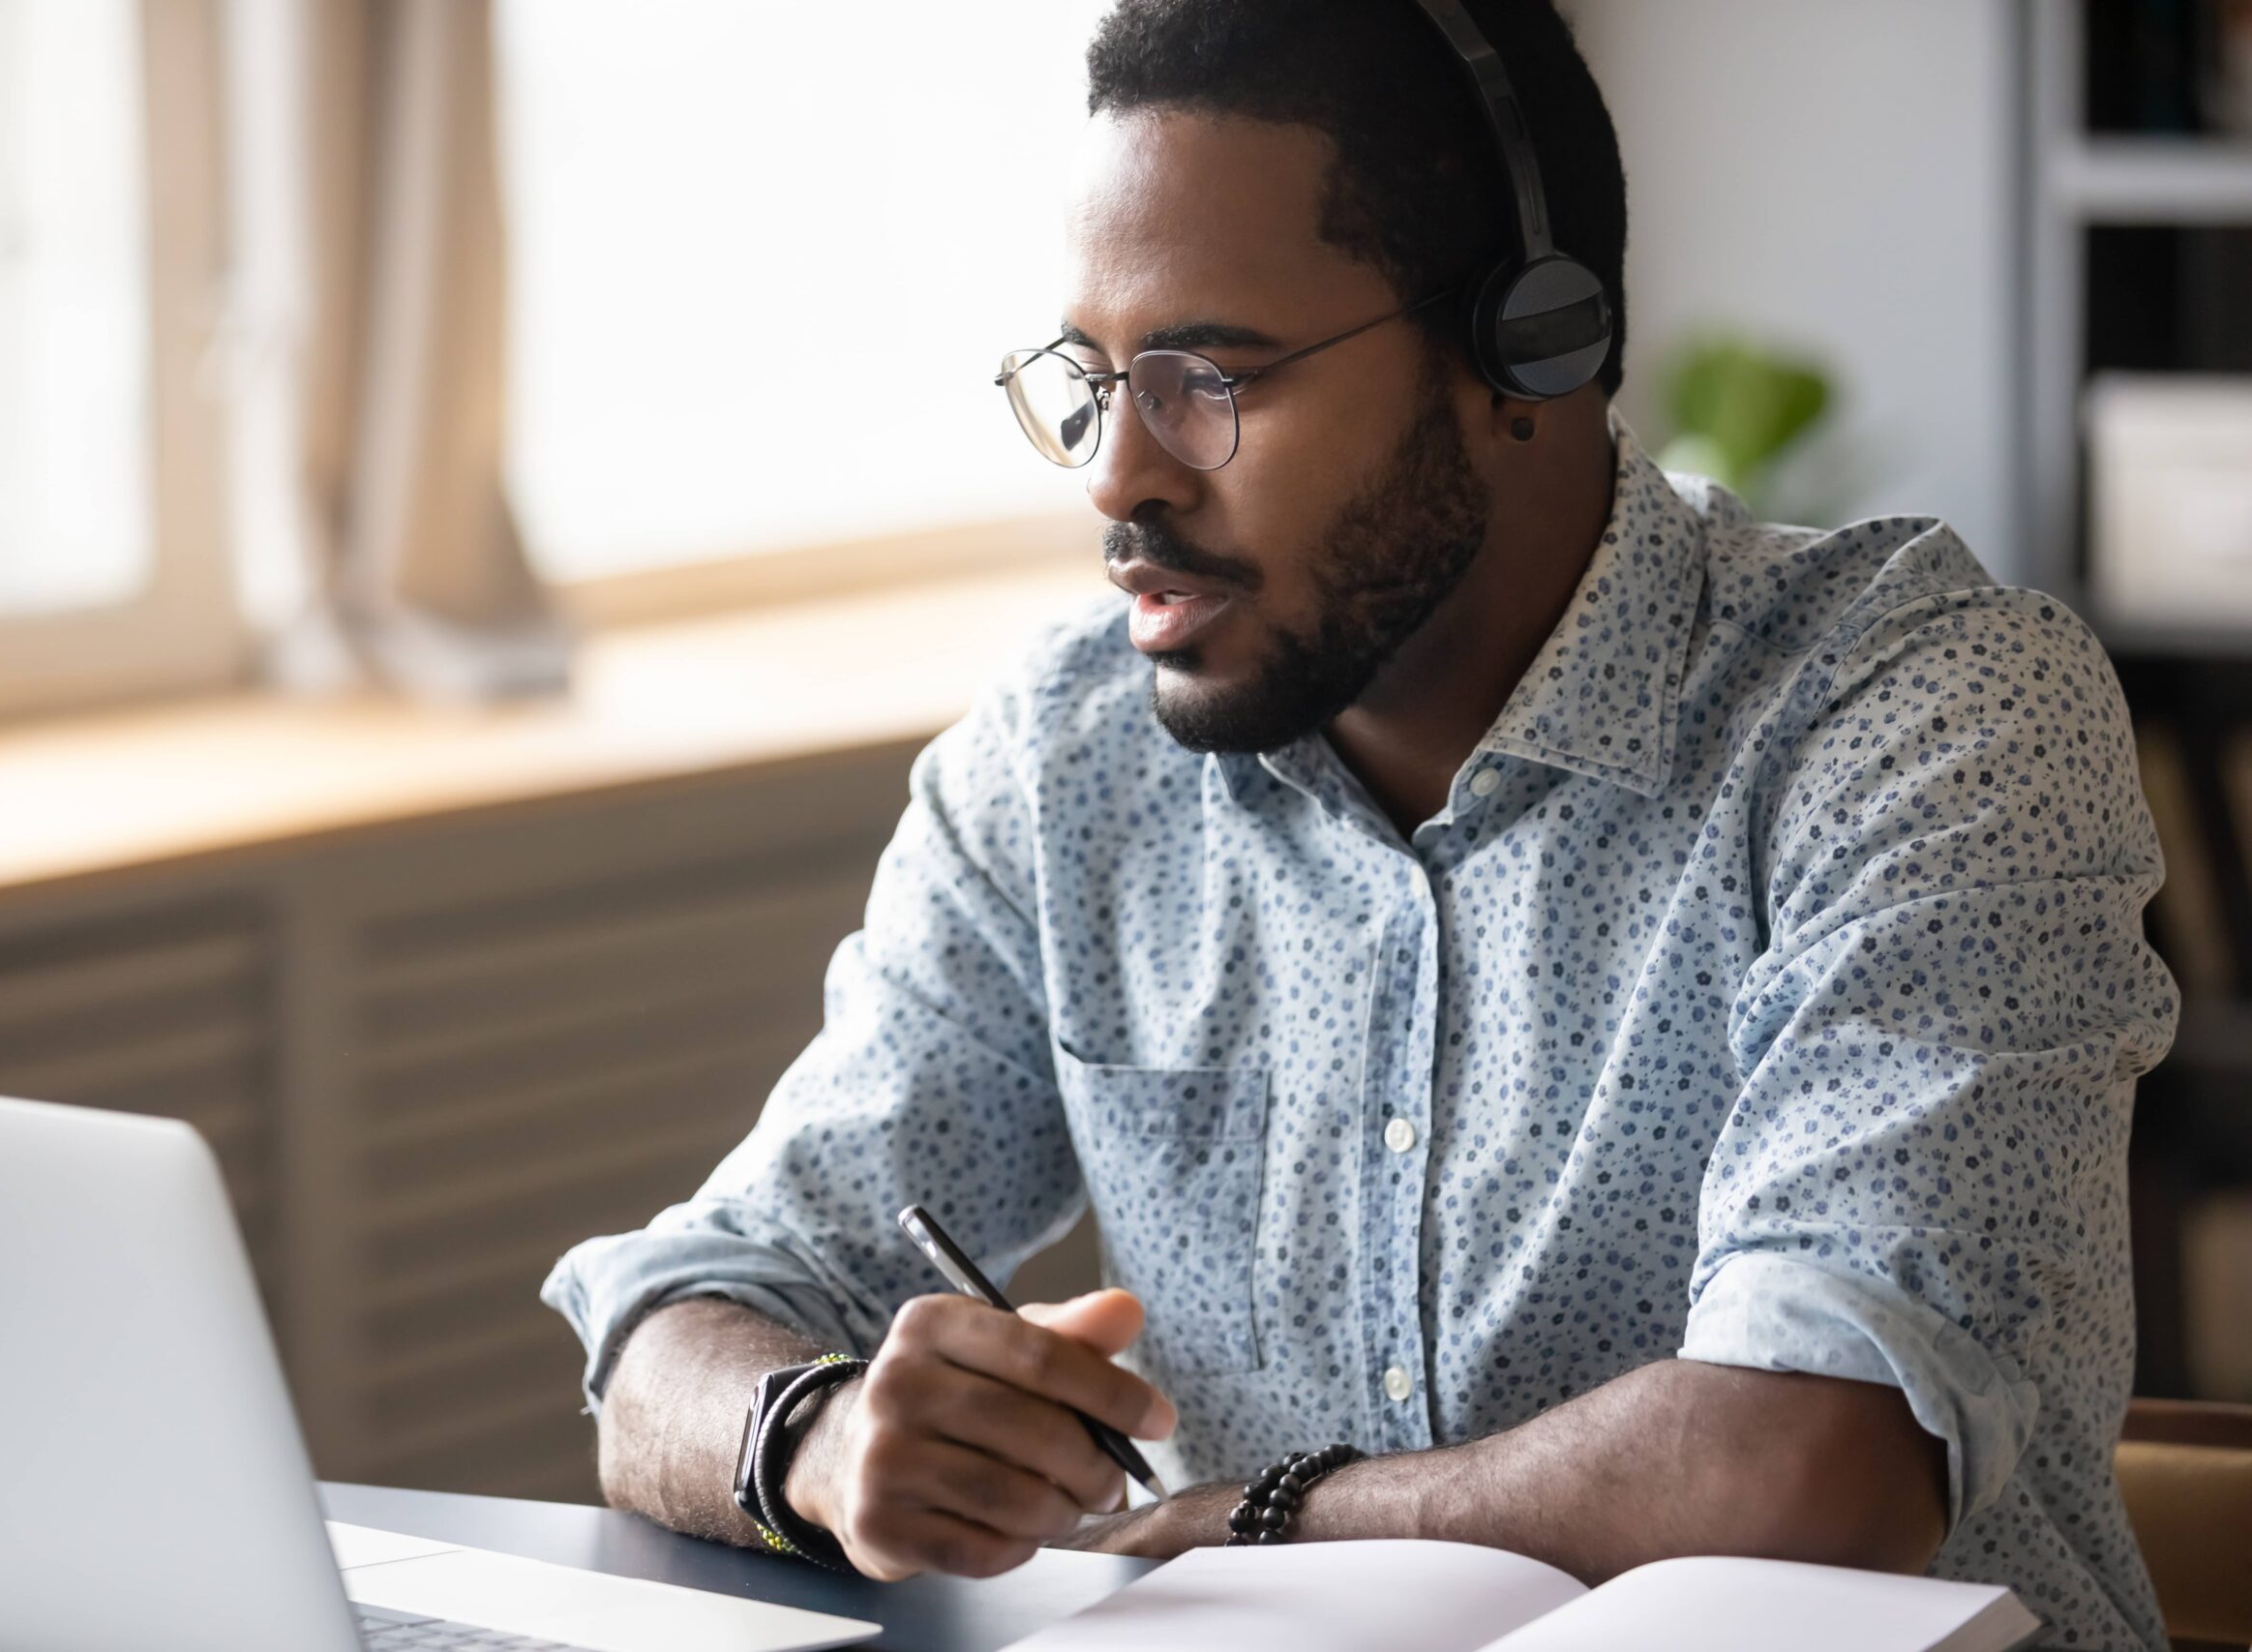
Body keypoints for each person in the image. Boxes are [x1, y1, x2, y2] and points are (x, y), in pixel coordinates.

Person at [542, 5, 2177, 1648]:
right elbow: (685, 1318)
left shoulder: (1925, 716)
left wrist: (1253, 1523)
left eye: (1208, 378)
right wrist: (814, 1439)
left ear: (1528, 352)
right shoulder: (1071, 760)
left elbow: (1813, 1465)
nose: (1118, 479)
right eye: (1093, 382)